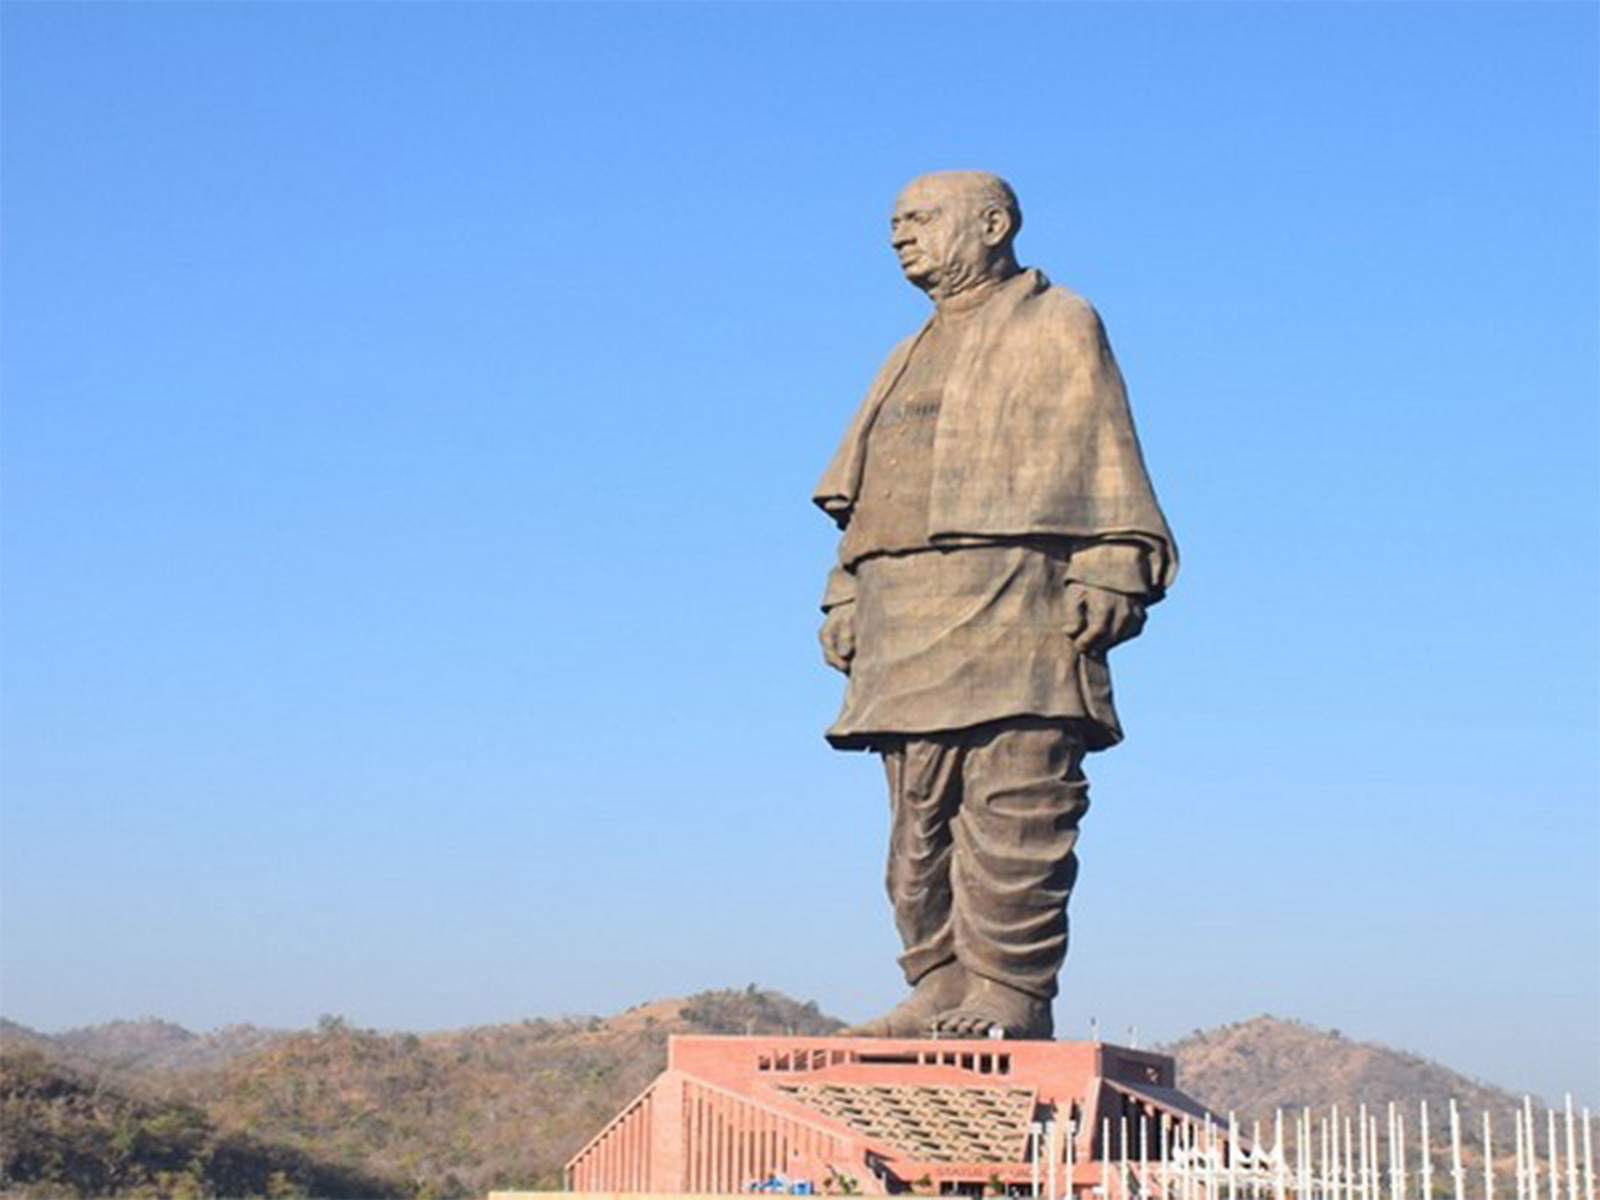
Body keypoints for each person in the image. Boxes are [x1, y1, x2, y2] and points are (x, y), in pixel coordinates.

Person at [814, 171, 1177, 1039]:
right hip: (903, 604)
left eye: (920, 219)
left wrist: (1112, 561)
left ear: (992, 223)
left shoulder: (1060, 321)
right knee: (916, 825)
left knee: (1018, 800)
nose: (900, 235)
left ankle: (1009, 992)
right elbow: (866, 490)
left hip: (1017, 591)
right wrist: (845, 589)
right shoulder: (905, 352)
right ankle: (938, 980)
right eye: (894, 222)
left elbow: (1105, 449)